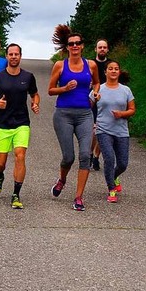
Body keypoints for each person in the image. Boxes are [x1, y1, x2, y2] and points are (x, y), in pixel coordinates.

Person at [48, 25, 100, 211]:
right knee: (68, 157)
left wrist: (95, 92)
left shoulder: (91, 65)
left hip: (85, 114)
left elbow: (96, 82)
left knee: (85, 155)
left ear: (83, 46)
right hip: (64, 114)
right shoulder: (60, 65)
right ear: (67, 47)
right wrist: (64, 88)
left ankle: (78, 197)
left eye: (78, 43)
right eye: (71, 44)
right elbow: (50, 90)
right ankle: (62, 180)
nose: (75, 46)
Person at [0, 44, 40, 209]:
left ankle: (16, 194)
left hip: (22, 123)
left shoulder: (28, 76)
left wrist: (35, 103)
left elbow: (35, 94)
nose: (14, 57)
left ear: (20, 56)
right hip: (2, 124)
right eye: (11, 54)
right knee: (0, 163)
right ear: (7, 56)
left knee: (20, 155)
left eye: (16, 54)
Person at [91, 61, 135, 203]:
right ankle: (111, 189)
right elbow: (87, 106)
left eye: (116, 69)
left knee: (122, 163)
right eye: (111, 69)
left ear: (119, 72)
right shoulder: (99, 89)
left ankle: (114, 176)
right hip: (103, 129)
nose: (114, 71)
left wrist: (122, 114)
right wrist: (91, 122)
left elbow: (132, 109)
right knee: (109, 158)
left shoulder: (126, 90)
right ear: (106, 72)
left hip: (121, 131)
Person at [90, 39, 111, 171]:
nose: (102, 49)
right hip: (92, 100)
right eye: (100, 47)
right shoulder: (90, 64)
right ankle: (89, 154)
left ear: (107, 49)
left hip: (107, 101)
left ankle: (96, 156)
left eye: (104, 47)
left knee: (102, 130)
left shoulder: (111, 65)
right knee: (93, 130)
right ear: (95, 49)